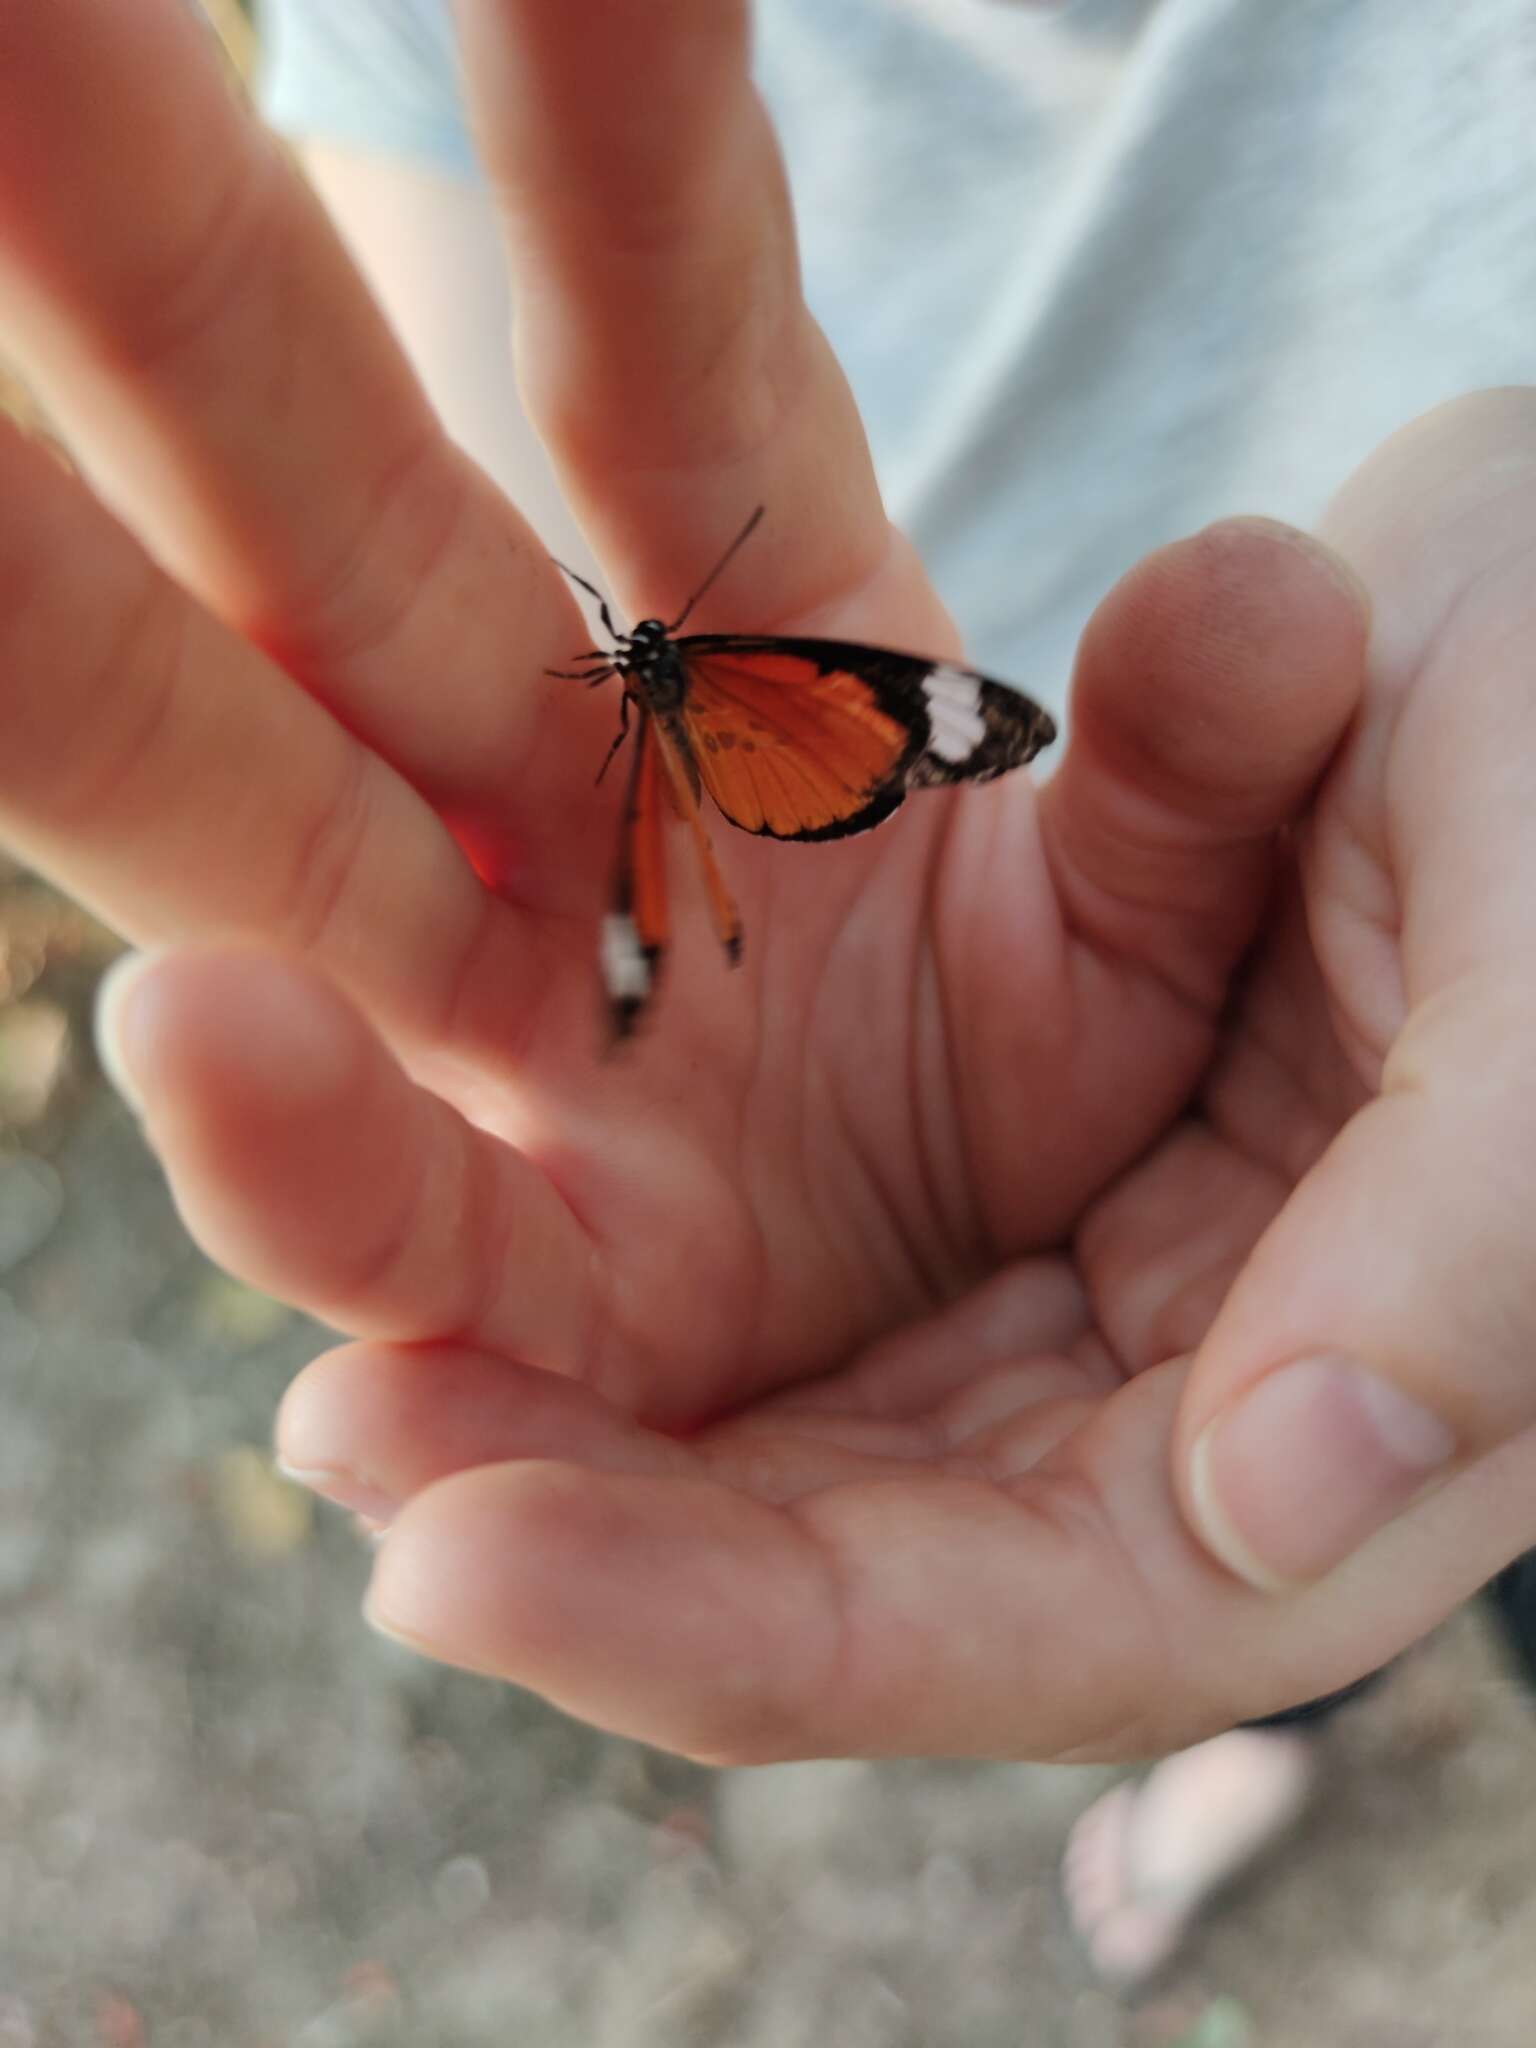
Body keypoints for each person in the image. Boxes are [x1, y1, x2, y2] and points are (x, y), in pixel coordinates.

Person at [3, 0, 1536, 1989]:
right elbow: (446, 436)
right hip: (847, 908)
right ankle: (1273, 1730)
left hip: (1329, 822)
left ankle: (1290, 1711)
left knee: (1392, 1454)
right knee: (1289, 1521)